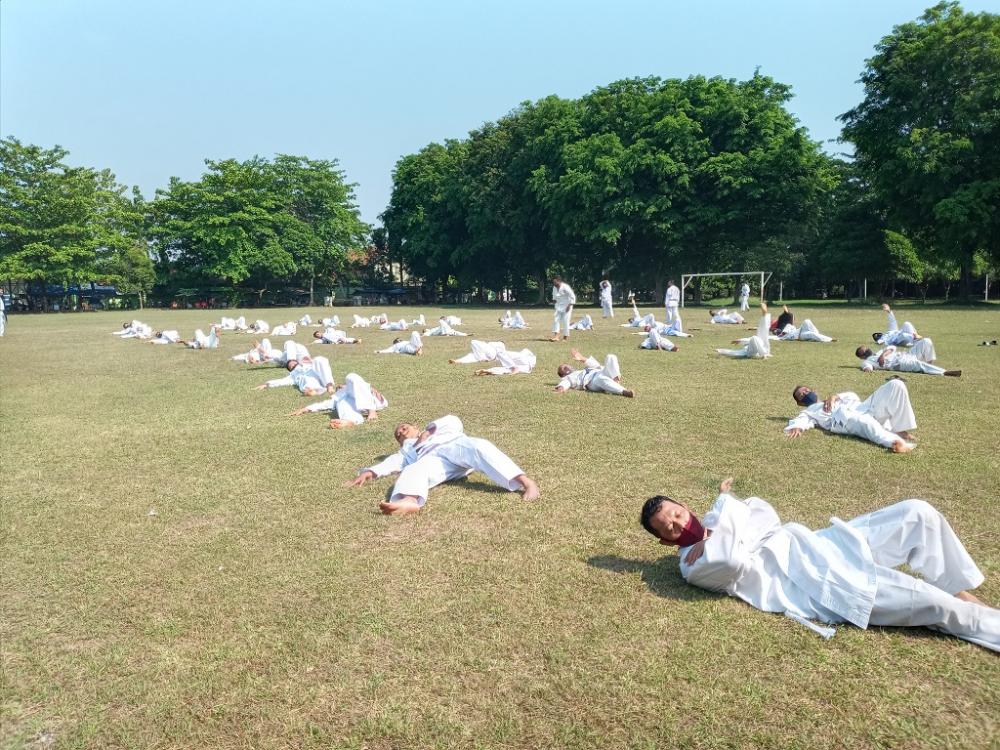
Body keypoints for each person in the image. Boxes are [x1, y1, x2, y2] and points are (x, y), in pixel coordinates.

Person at [639, 478, 999, 652]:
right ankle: (980, 617)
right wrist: (724, 504)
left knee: (917, 514)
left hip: (821, 544)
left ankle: (957, 586)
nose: (678, 524)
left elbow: (767, 513)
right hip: (813, 585)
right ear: (665, 541)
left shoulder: (717, 525)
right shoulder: (691, 565)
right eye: (669, 528)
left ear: (685, 506)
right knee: (934, 605)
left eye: (677, 514)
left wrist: (724, 529)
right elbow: (731, 558)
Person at [346, 415, 540, 514]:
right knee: (414, 468)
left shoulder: (435, 429)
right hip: (435, 462)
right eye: (398, 434)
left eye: (404, 428)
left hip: (454, 446)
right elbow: (392, 463)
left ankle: (526, 483)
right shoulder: (407, 450)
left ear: (415, 427)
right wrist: (370, 472)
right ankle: (409, 501)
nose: (402, 432)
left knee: (479, 446)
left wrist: (429, 431)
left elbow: (455, 420)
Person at [786, 380, 917, 453]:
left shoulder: (833, 398)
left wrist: (835, 396)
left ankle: (900, 429)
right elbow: (802, 420)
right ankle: (895, 443)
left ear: (813, 391)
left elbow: (854, 396)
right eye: (802, 395)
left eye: (806, 390)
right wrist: (798, 427)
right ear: (800, 403)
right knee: (867, 423)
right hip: (845, 419)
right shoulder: (810, 411)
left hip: (863, 407)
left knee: (896, 384)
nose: (805, 394)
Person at [288, 372, 389, 428]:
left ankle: (372, 412)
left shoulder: (356, 386)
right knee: (341, 401)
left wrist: (369, 389)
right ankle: (350, 421)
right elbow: (323, 405)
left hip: (373, 403)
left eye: (340, 386)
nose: (338, 387)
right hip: (357, 408)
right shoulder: (339, 397)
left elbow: (364, 387)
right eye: (338, 388)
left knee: (351, 376)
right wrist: (305, 409)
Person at [555, 349, 633, 397]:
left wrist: (581, 358)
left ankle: (615, 381)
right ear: (563, 374)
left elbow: (596, 365)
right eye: (564, 368)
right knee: (601, 379)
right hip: (591, 381)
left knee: (610, 356)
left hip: (601, 372)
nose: (568, 366)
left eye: (566, 365)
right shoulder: (569, 377)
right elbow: (565, 383)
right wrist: (561, 388)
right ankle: (624, 391)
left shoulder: (581, 371)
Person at [855, 344, 959, 377]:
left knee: (926, 341)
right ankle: (944, 372)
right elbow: (867, 368)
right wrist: (867, 369)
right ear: (861, 357)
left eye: (866, 348)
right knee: (918, 364)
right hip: (899, 363)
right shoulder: (866, 361)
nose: (867, 350)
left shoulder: (879, 352)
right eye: (864, 351)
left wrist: (882, 355)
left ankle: (930, 364)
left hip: (907, 354)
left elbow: (892, 347)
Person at [255, 355, 336, 395]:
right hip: (309, 381)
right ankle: (312, 390)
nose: (292, 363)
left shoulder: (307, 364)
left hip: (319, 376)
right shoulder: (292, 374)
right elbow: (282, 381)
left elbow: (320, 366)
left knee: (319, 359)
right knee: (303, 378)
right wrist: (267, 384)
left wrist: (310, 361)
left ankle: (329, 386)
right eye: (290, 365)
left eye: (293, 362)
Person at [550, 276, 577, 342]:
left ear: (559, 281)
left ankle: (565, 338)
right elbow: (554, 297)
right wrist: (553, 301)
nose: (554, 284)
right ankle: (556, 337)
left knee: (566, 321)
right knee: (556, 320)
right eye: (553, 282)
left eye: (555, 282)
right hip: (558, 306)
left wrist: (569, 305)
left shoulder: (565, 287)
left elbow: (572, 296)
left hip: (567, 306)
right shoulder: (554, 288)